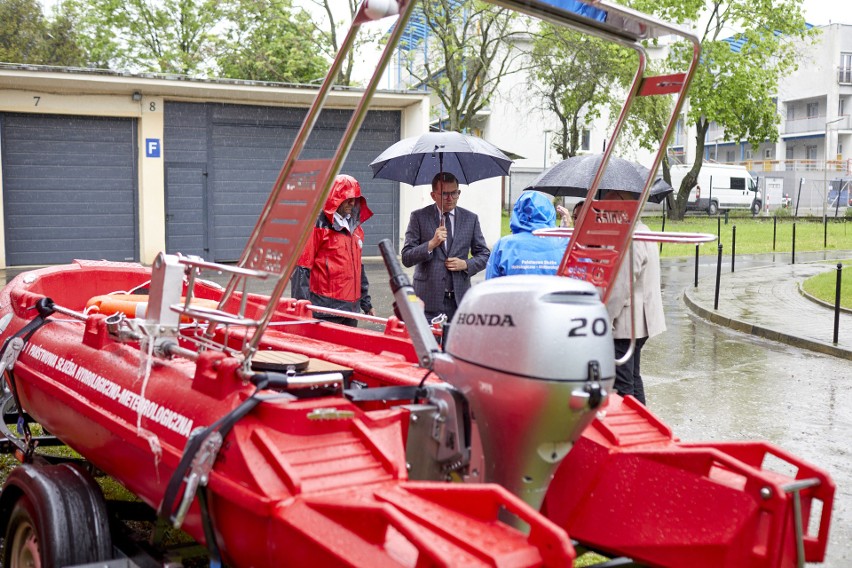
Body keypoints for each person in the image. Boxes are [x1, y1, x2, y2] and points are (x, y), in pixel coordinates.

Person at [603, 189, 665, 404]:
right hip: (638, 320)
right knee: (632, 377)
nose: (605, 210)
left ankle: (631, 428)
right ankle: (645, 424)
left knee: (622, 385)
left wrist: (605, 318)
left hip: (627, 322)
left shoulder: (631, 235)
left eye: (609, 206)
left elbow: (622, 285)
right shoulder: (641, 229)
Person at [401, 172, 490, 322]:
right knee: (428, 345)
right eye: (444, 194)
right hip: (427, 300)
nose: (450, 198)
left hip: (459, 301)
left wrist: (466, 264)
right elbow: (406, 257)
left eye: (454, 193)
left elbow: (484, 255)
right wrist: (431, 244)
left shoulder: (471, 219)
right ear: (433, 195)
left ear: (459, 192)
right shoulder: (419, 217)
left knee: (456, 345)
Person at [290, 174, 375, 326]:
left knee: (348, 349)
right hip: (325, 310)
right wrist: (301, 309)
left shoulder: (355, 229)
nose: (352, 202)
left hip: (351, 310)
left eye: (355, 198)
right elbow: (301, 268)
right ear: (335, 198)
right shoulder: (317, 226)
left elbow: (357, 268)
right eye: (347, 198)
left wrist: (365, 302)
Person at [485, 191, 568, 279]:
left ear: (517, 213)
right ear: (550, 214)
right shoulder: (564, 244)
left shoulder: (503, 245)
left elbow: (490, 285)